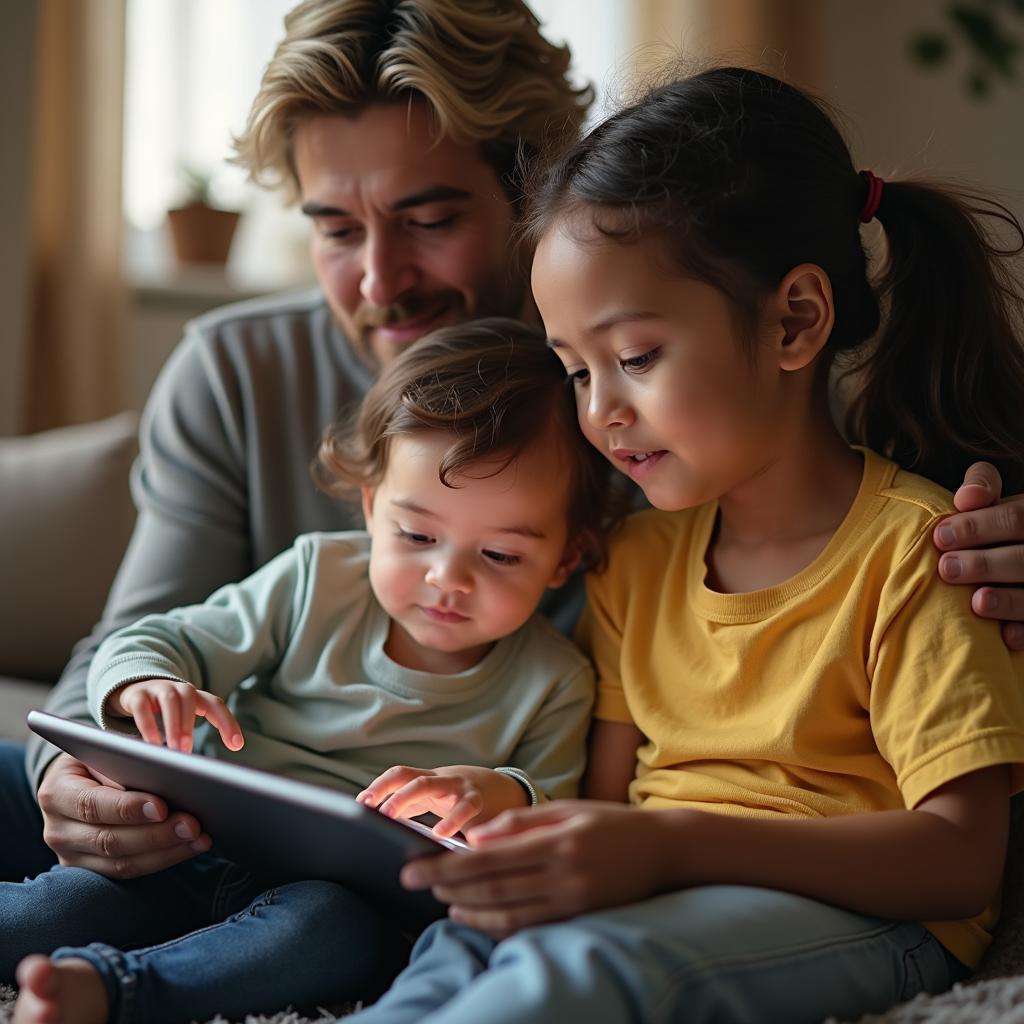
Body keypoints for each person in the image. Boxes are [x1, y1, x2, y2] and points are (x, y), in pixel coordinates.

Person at [1, 0, 1021, 933]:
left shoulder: (698, 396)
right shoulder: (234, 371)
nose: (379, 281)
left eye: (431, 219)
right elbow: (140, 637)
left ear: (533, 187)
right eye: (334, 228)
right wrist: (77, 775)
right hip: (231, 812)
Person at [325, 67, 1024, 1024]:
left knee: (587, 971)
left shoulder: (919, 553)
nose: (600, 412)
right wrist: (516, 810)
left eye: (636, 358)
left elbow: (958, 859)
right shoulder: (636, 560)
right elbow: (609, 805)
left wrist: (669, 849)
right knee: (466, 938)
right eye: (575, 370)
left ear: (795, 321)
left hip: (866, 918)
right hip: (667, 891)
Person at [7, 320, 621, 1024]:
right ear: (369, 507)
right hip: (186, 840)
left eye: (501, 556)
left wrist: (501, 795)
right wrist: (146, 681)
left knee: (332, 936)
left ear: (566, 560)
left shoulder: (557, 681)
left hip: (327, 895)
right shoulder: (317, 577)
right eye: (416, 535)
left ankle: (110, 991)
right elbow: (165, 636)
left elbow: (555, 812)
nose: (446, 579)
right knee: (67, 901)